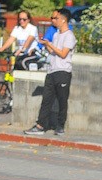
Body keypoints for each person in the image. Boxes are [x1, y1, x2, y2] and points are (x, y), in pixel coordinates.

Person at [23, 8, 76, 136]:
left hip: (63, 72)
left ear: (63, 20)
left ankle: (60, 126)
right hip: (52, 71)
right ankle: (40, 125)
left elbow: (63, 54)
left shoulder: (69, 36)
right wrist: (46, 44)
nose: (54, 20)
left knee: (62, 100)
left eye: (57, 18)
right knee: (46, 100)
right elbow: (53, 52)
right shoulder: (56, 34)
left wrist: (50, 45)